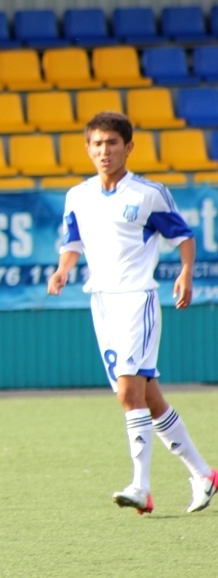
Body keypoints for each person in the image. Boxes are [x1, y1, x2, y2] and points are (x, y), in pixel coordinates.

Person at [48, 111, 217, 515]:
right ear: (87, 148)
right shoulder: (78, 196)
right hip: (101, 303)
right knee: (149, 398)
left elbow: (183, 236)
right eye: (97, 144)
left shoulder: (148, 194)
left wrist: (186, 273)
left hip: (137, 300)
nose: (104, 151)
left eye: (112, 143)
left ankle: (141, 487)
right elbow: (73, 240)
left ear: (129, 147)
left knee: (128, 393)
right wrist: (63, 269)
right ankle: (204, 474)